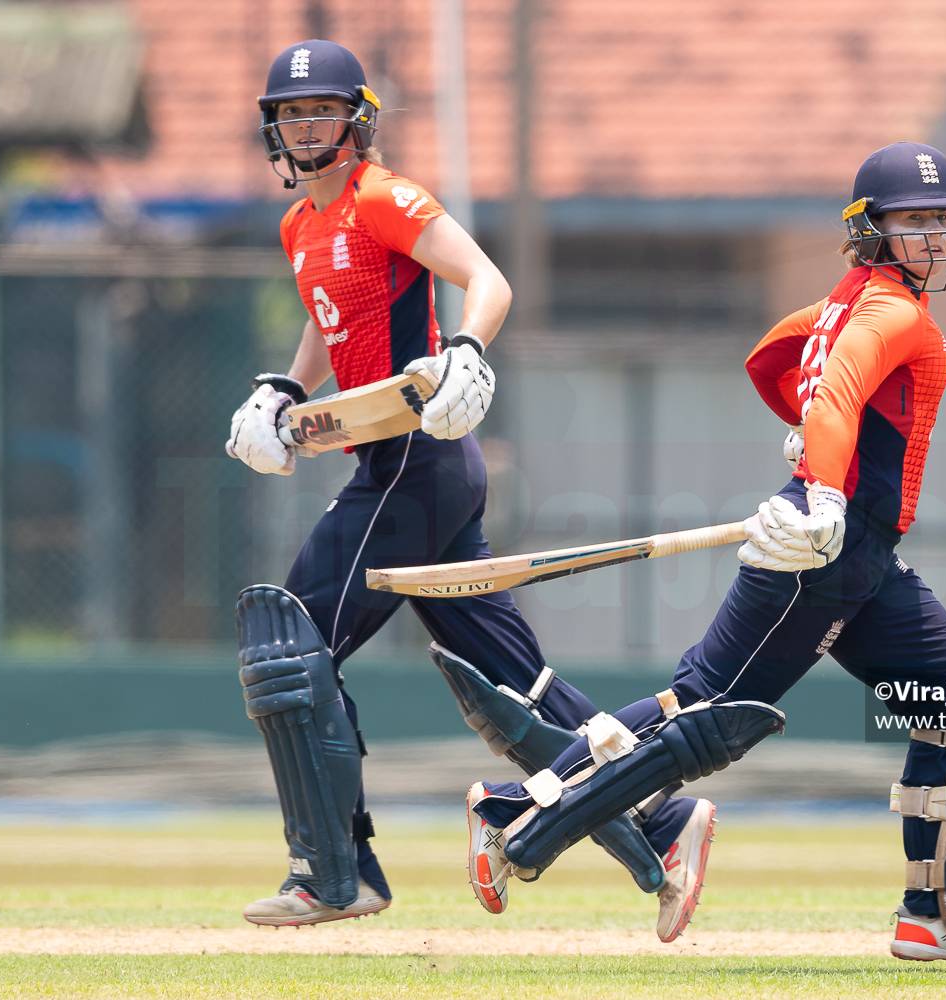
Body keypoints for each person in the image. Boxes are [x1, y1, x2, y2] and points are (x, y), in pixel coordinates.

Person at [462, 141, 946, 964]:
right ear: (871, 229)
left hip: (853, 548)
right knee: (705, 715)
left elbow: (776, 362)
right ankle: (516, 818)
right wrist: (822, 484)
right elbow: (831, 388)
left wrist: (809, 449)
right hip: (823, 542)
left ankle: (930, 917)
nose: (936, 235)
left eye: (945, 220)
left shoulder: (852, 301)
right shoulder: (891, 313)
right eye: (916, 220)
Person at [225, 39, 713, 937]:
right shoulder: (302, 226)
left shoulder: (382, 197)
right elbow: (331, 319)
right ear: (274, 129)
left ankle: (334, 872)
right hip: (397, 466)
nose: (305, 128)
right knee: (508, 684)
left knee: (286, 644)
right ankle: (661, 814)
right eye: (292, 115)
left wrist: (468, 348)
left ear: (356, 121)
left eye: (322, 112)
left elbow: (487, 279)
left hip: (417, 459)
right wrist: (288, 389)